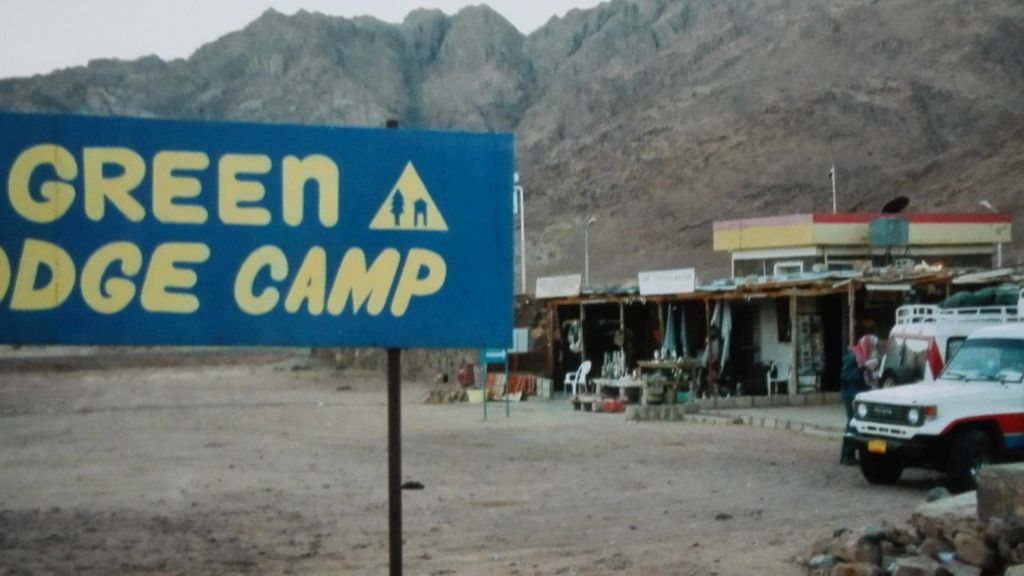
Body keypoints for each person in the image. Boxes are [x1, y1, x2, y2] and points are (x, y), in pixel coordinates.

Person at [840, 334, 880, 465]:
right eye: (873, 346)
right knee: (852, 422)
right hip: (851, 392)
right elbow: (846, 376)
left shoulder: (866, 356)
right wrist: (863, 368)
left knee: (857, 422)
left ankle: (852, 453)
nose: (874, 349)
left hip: (859, 392)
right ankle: (847, 454)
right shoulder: (853, 356)